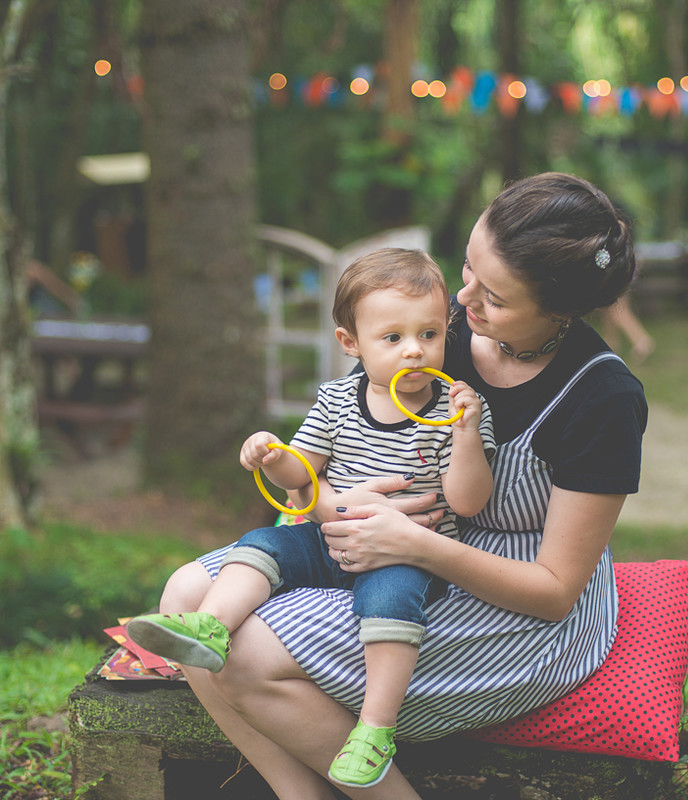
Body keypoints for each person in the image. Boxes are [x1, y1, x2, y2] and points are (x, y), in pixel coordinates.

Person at [144, 172, 646, 799]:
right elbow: (329, 468)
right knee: (186, 592)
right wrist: (340, 504)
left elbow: (552, 593)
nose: (463, 302)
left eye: (493, 297)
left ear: (559, 310)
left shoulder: (602, 398)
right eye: (466, 270)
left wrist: (412, 545)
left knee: (244, 654)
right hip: (375, 539)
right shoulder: (431, 334)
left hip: (514, 604)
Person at [128, 248, 496, 789]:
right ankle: (210, 628)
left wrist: (466, 436)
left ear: (447, 333)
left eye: (430, 335)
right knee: (259, 544)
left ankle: (375, 728)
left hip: (407, 554)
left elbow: (468, 502)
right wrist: (270, 454)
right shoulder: (337, 400)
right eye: (392, 338)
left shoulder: (452, 409)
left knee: (390, 601)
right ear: (351, 344)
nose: (415, 351)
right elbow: (301, 476)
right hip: (333, 538)